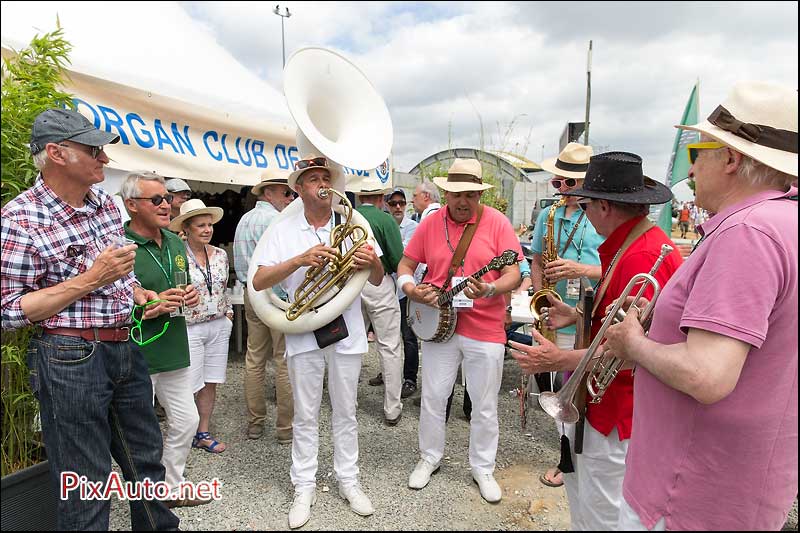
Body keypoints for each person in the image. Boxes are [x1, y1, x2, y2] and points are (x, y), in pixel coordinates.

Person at [602, 81, 798, 531]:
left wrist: (633, 342)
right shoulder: (783, 221)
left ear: (731, 159)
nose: (691, 171)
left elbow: (705, 375)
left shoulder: (747, 232)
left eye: (699, 153)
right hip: (740, 489)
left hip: (688, 495)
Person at [0, 108, 180, 529]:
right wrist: (91, 278)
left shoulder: (102, 204)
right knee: (84, 482)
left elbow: (119, 277)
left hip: (123, 345)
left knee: (147, 464)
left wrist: (139, 294)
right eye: (94, 149)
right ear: (57, 153)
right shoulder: (19, 218)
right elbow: (8, 311)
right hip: (68, 354)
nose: (105, 159)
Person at [509, 151, 683, 530]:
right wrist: (574, 316)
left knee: (602, 513)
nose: (583, 212)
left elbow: (627, 349)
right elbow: (619, 326)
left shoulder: (643, 255)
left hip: (615, 412)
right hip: (605, 406)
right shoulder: (634, 244)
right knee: (588, 504)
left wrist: (557, 359)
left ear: (605, 205)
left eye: (586, 204)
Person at [252, 153, 384, 529]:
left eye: (326, 177)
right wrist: (299, 260)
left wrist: (370, 262)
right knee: (305, 414)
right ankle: (303, 486)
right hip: (305, 330)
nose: (322, 184)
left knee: (346, 411)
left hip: (347, 331)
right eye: (313, 179)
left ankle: (349, 480)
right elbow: (259, 281)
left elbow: (376, 278)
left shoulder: (352, 223)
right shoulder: (283, 228)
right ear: (298, 188)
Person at [397, 158, 523, 503]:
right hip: (439, 328)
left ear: (479, 194)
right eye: (456, 194)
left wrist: (492, 290)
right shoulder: (429, 223)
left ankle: (483, 467)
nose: (463, 201)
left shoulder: (497, 223)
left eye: (470, 194)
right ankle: (429, 457)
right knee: (434, 396)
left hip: (486, 327)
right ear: (445, 193)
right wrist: (410, 289)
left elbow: (515, 273)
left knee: (483, 403)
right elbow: (406, 264)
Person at [122, 171, 210, 509]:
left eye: (167, 198)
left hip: (173, 345)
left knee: (187, 421)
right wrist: (149, 307)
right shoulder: (119, 243)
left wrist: (189, 294)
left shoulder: (175, 241)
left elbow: (184, 285)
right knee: (139, 433)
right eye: (156, 199)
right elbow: (112, 299)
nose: (166, 204)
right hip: (136, 351)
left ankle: (171, 486)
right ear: (132, 205)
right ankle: (146, 492)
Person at [531, 142, 604, 488]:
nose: (561, 191)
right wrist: (539, 293)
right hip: (557, 306)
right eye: (557, 183)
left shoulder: (602, 214)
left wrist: (579, 268)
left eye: (569, 185)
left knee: (582, 385)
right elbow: (535, 259)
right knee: (562, 383)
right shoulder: (549, 216)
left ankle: (581, 452)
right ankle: (566, 454)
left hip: (590, 308)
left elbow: (613, 266)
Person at [233, 169, 296, 443]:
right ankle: (285, 429)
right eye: (285, 192)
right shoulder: (279, 221)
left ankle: (255, 423)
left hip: (251, 293)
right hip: (276, 296)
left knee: (254, 358)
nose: (290, 197)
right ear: (269, 193)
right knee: (283, 360)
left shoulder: (244, 219)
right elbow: (285, 267)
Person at [169, 199, 232, 453]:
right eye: (200, 226)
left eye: (209, 225)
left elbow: (223, 286)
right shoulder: (177, 256)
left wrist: (227, 314)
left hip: (217, 324)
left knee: (210, 381)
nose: (207, 230)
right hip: (189, 326)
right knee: (188, 384)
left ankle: (202, 432)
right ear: (186, 228)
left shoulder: (220, 255)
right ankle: (182, 436)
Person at [353, 180, 405, 425]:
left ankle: (348, 402)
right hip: (378, 282)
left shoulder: (345, 217)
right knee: (390, 346)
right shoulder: (386, 221)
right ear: (382, 197)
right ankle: (392, 408)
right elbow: (397, 260)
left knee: (350, 345)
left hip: (349, 284)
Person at [386, 188, 420, 398]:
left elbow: (401, 255)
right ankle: (389, 374)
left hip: (406, 290)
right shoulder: (385, 225)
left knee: (409, 337)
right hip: (388, 289)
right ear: (387, 205)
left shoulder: (413, 227)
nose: (398, 207)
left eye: (401, 202)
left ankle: (409, 379)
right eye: (393, 203)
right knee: (388, 337)